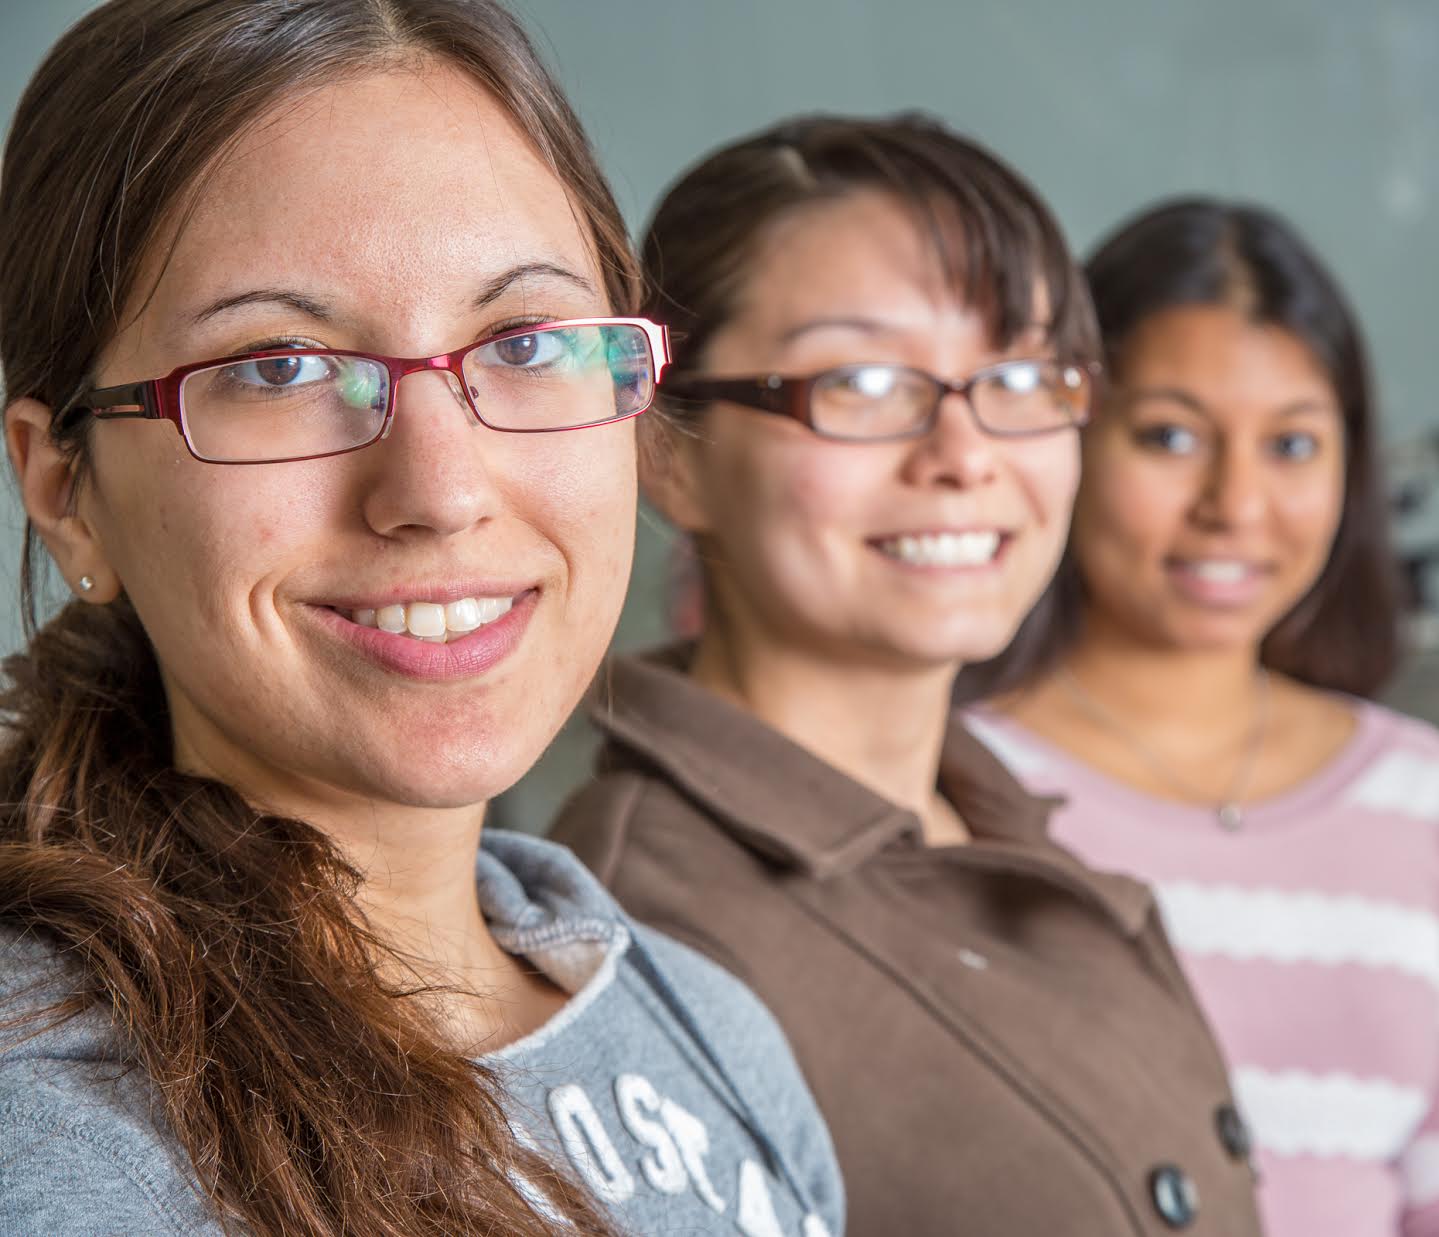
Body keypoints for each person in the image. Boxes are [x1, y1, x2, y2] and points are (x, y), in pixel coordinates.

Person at [0, 3, 841, 1235]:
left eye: (527, 341)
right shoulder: (63, 1136)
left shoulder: (702, 1027)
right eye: (276, 366)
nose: (440, 491)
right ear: (66, 491)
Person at [551, 116, 1263, 1236]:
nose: (966, 454)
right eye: (865, 380)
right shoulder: (633, 940)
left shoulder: (982, 810)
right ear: (673, 455)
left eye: (1021, 375)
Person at [962, 198, 1439, 1236]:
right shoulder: (956, 785)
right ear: (1066, 439)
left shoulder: (1419, 795)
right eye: (1169, 437)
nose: (1234, 503)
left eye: (1290, 445)